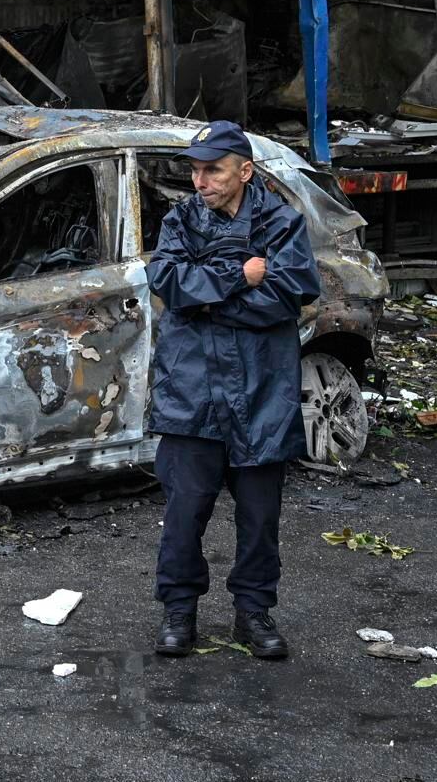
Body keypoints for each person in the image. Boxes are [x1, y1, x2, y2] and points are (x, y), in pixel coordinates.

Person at [147, 120, 321, 660]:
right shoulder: (179, 220)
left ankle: (254, 613)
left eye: (213, 170)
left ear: (244, 171)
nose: (201, 181)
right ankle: (179, 614)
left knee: (260, 520)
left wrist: (206, 296)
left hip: (262, 394)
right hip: (191, 395)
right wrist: (238, 277)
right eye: (195, 171)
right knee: (184, 513)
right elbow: (168, 283)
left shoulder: (281, 223)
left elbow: (291, 292)